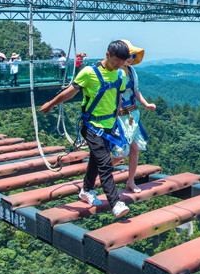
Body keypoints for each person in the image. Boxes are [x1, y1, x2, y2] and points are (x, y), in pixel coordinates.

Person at [40, 40, 132, 218]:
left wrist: (119, 117)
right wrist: (51, 104)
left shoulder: (120, 75)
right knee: (105, 164)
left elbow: (117, 98)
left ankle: (86, 190)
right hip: (91, 126)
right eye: (115, 61)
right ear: (107, 55)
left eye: (122, 62)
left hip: (109, 125)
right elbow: (70, 91)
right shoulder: (89, 72)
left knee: (97, 160)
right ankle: (115, 203)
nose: (118, 65)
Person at [111, 40, 156, 194]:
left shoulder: (132, 72)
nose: (130, 58)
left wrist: (146, 104)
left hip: (131, 113)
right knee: (121, 152)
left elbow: (136, 91)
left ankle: (131, 181)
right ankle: (99, 171)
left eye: (133, 55)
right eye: (129, 55)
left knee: (135, 148)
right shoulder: (114, 72)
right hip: (117, 115)